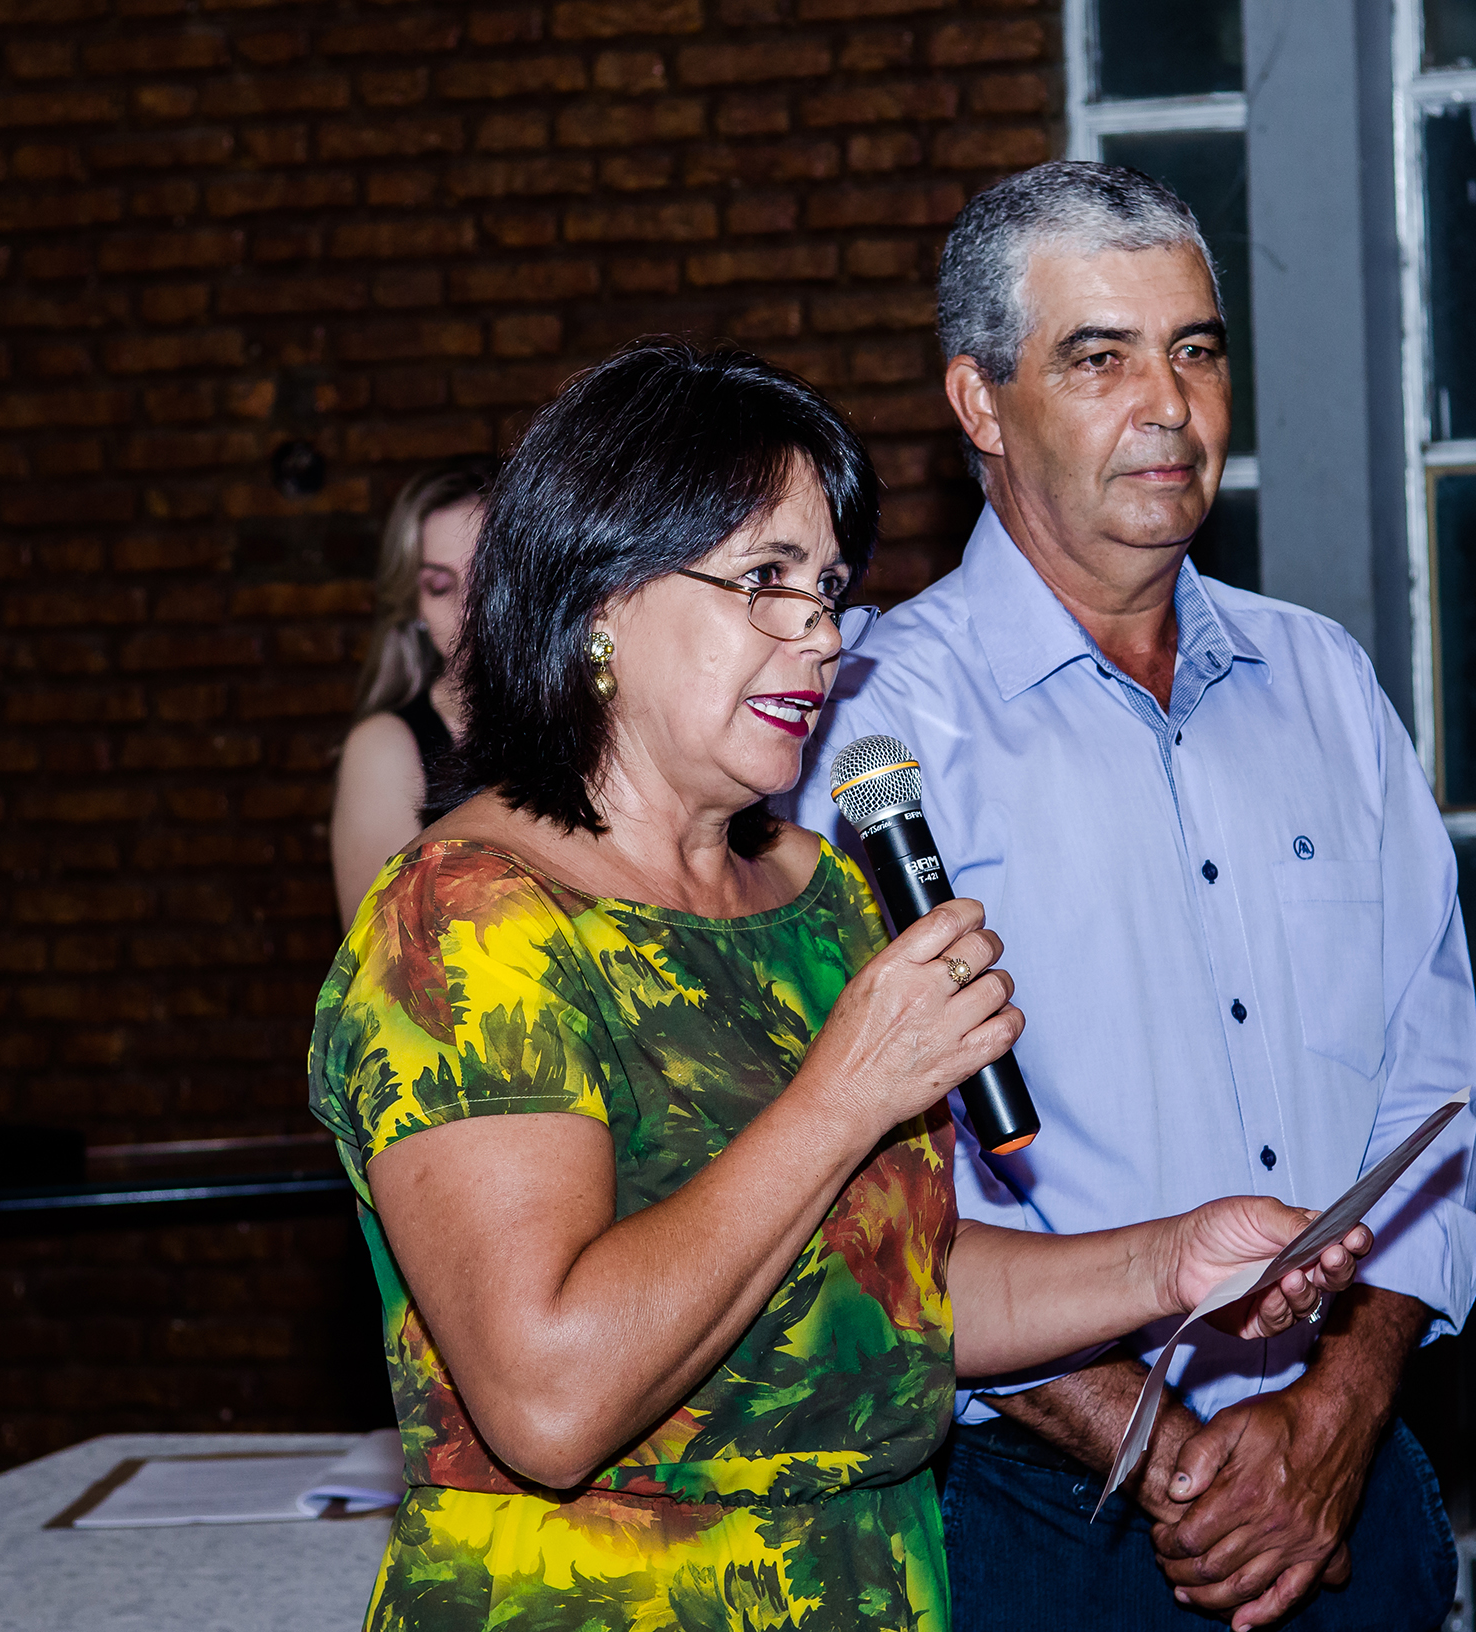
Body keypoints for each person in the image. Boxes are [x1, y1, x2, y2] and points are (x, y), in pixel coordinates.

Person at [308, 341, 1377, 1632]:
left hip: (874, 1586)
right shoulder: (468, 917)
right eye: (765, 581)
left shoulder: (821, 893)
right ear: (599, 601)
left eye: (827, 590)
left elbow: (898, 1287)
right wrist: (845, 1091)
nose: (819, 635)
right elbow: (549, 1398)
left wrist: (1169, 1262)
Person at [781, 162, 1476, 1632]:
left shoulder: (1325, 683)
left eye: (1196, 350)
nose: (1168, 405)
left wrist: (1336, 1414)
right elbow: (865, 1202)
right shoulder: (866, 731)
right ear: (981, 405)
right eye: (1099, 358)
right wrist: (1171, 1459)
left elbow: (1435, 1096)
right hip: (1043, 1515)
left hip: (1345, 1473)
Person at [331, 456, 494, 924]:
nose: (469, 610)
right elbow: (379, 960)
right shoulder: (385, 750)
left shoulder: (591, 716)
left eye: (489, 577)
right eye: (440, 586)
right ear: (415, 605)